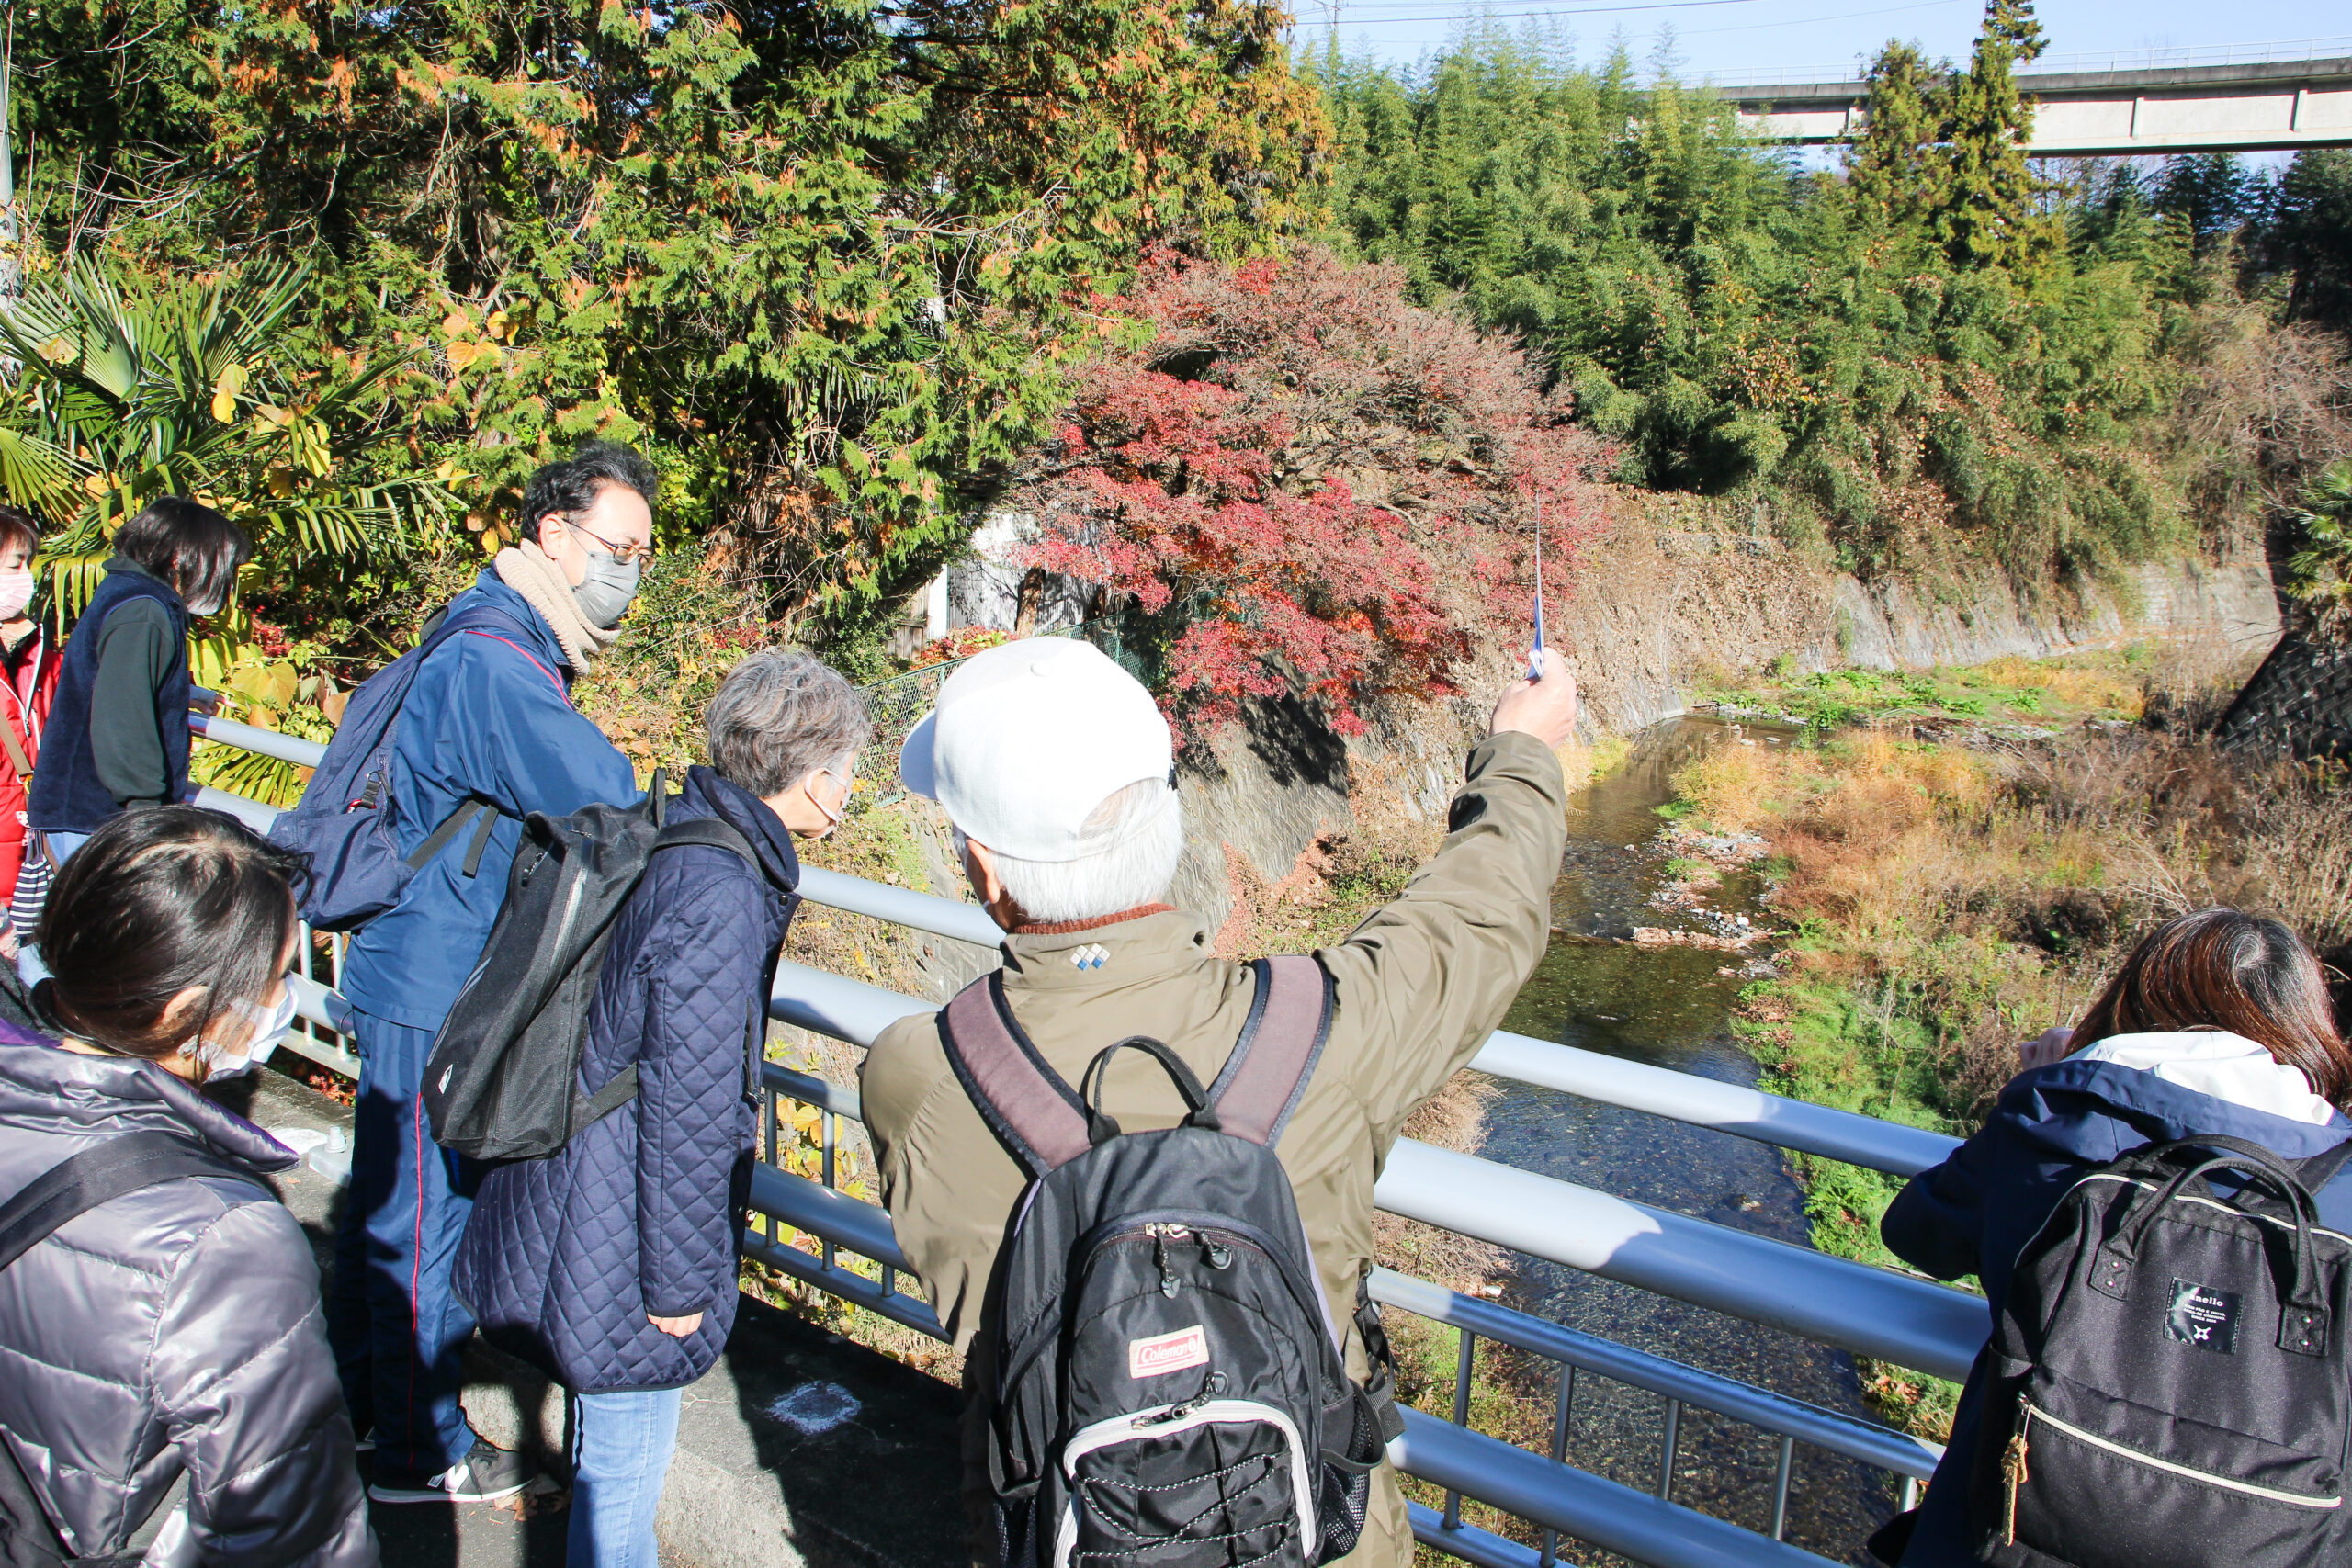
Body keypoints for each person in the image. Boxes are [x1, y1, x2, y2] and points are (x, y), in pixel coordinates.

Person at [860, 636, 1578, 1566]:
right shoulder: (1321, 1031)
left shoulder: (919, 1075)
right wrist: (1520, 750)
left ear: (985, 870)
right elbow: (1480, 916)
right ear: (1168, 825)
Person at [455, 650, 867, 1568]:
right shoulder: (721, 890)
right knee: (625, 1467)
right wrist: (679, 1283)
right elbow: (692, 1104)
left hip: (584, 1175)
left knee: (607, 1449)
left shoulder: (681, 831)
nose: (850, 787)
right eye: (844, 765)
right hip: (622, 1221)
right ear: (808, 772)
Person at [328, 442, 651, 1506]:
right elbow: (603, 796)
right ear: (554, 535)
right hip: (434, 976)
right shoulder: (496, 661)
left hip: (420, 958)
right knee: (422, 1220)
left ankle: (361, 1408)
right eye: (618, 550)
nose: (630, 574)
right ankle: (418, 1453)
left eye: (642, 557)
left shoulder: (495, 631)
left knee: (392, 1207)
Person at [1874, 908, 2352, 1568]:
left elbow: (1918, 1232)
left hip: (2008, 1532)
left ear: (2138, 996)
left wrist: (2037, 1088)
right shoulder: (2338, 1182)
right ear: (2306, 1022)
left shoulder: (2058, 1122)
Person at [0, 806, 376, 1566]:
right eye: (274, 977)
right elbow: (289, 1529)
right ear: (182, 1011)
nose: (281, 998)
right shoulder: (224, 1238)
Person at [28, 496, 248, 867]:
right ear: (178, 558)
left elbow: (114, 680)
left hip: (87, 814)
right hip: (101, 819)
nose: (224, 580)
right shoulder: (143, 610)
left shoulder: (125, 591)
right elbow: (123, 718)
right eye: (220, 566)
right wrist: (146, 811)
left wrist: (179, 694)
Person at [0, 505, 60, 942]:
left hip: (28, 861)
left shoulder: (40, 657)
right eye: (13, 565)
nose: (26, 576)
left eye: (27, 564)